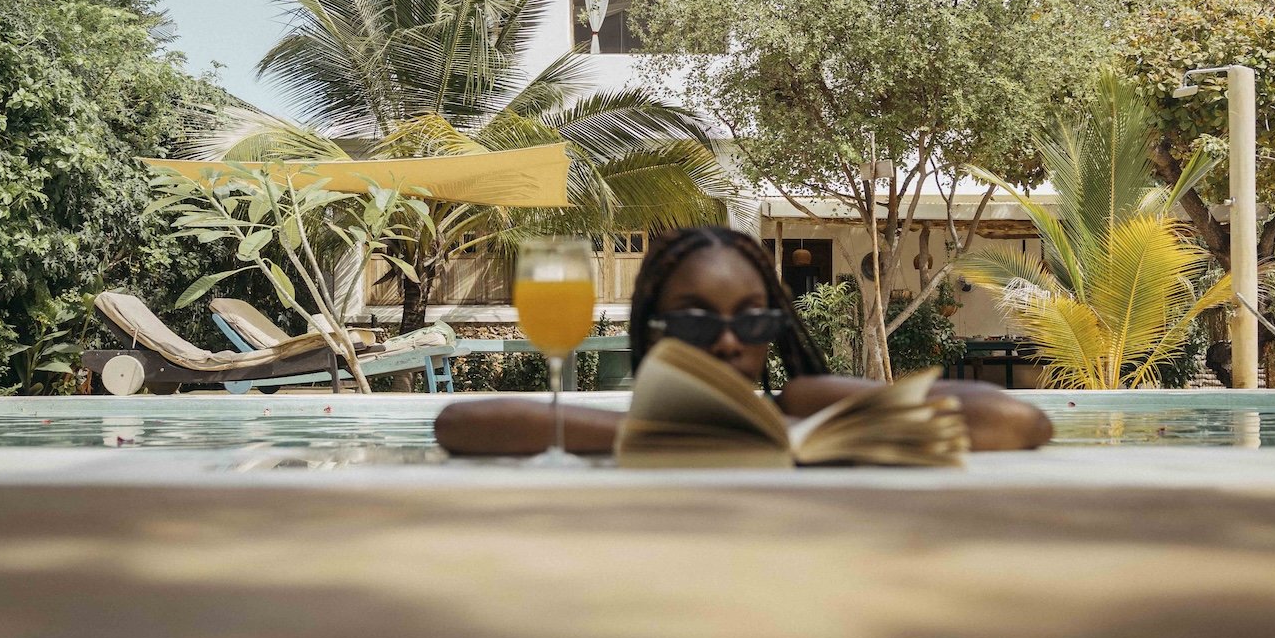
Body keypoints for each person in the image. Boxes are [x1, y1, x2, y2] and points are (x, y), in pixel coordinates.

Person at [434, 226, 1053, 455]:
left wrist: (832, 396)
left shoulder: (801, 414)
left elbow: (1024, 424)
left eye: (754, 320)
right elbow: (459, 424)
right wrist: (670, 437)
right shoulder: (615, 427)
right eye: (699, 320)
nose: (730, 342)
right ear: (654, 330)